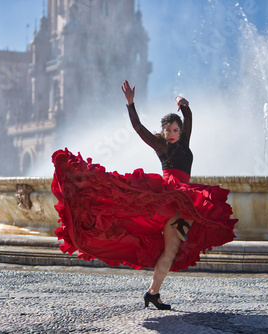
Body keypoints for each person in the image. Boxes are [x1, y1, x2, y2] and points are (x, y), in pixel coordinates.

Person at [51, 80, 237, 311]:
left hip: (183, 200)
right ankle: (153, 288)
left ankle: (153, 293)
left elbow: (188, 116)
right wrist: (130, 103)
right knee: (173, 242)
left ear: (180, 131)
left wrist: (181, 101)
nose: (171, 134)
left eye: (175, 130)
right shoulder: (161, 147)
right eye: (167, 130)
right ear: (163, 131)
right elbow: (138, 127)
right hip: (168, 198)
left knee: (171, 251)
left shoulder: (184, 141)